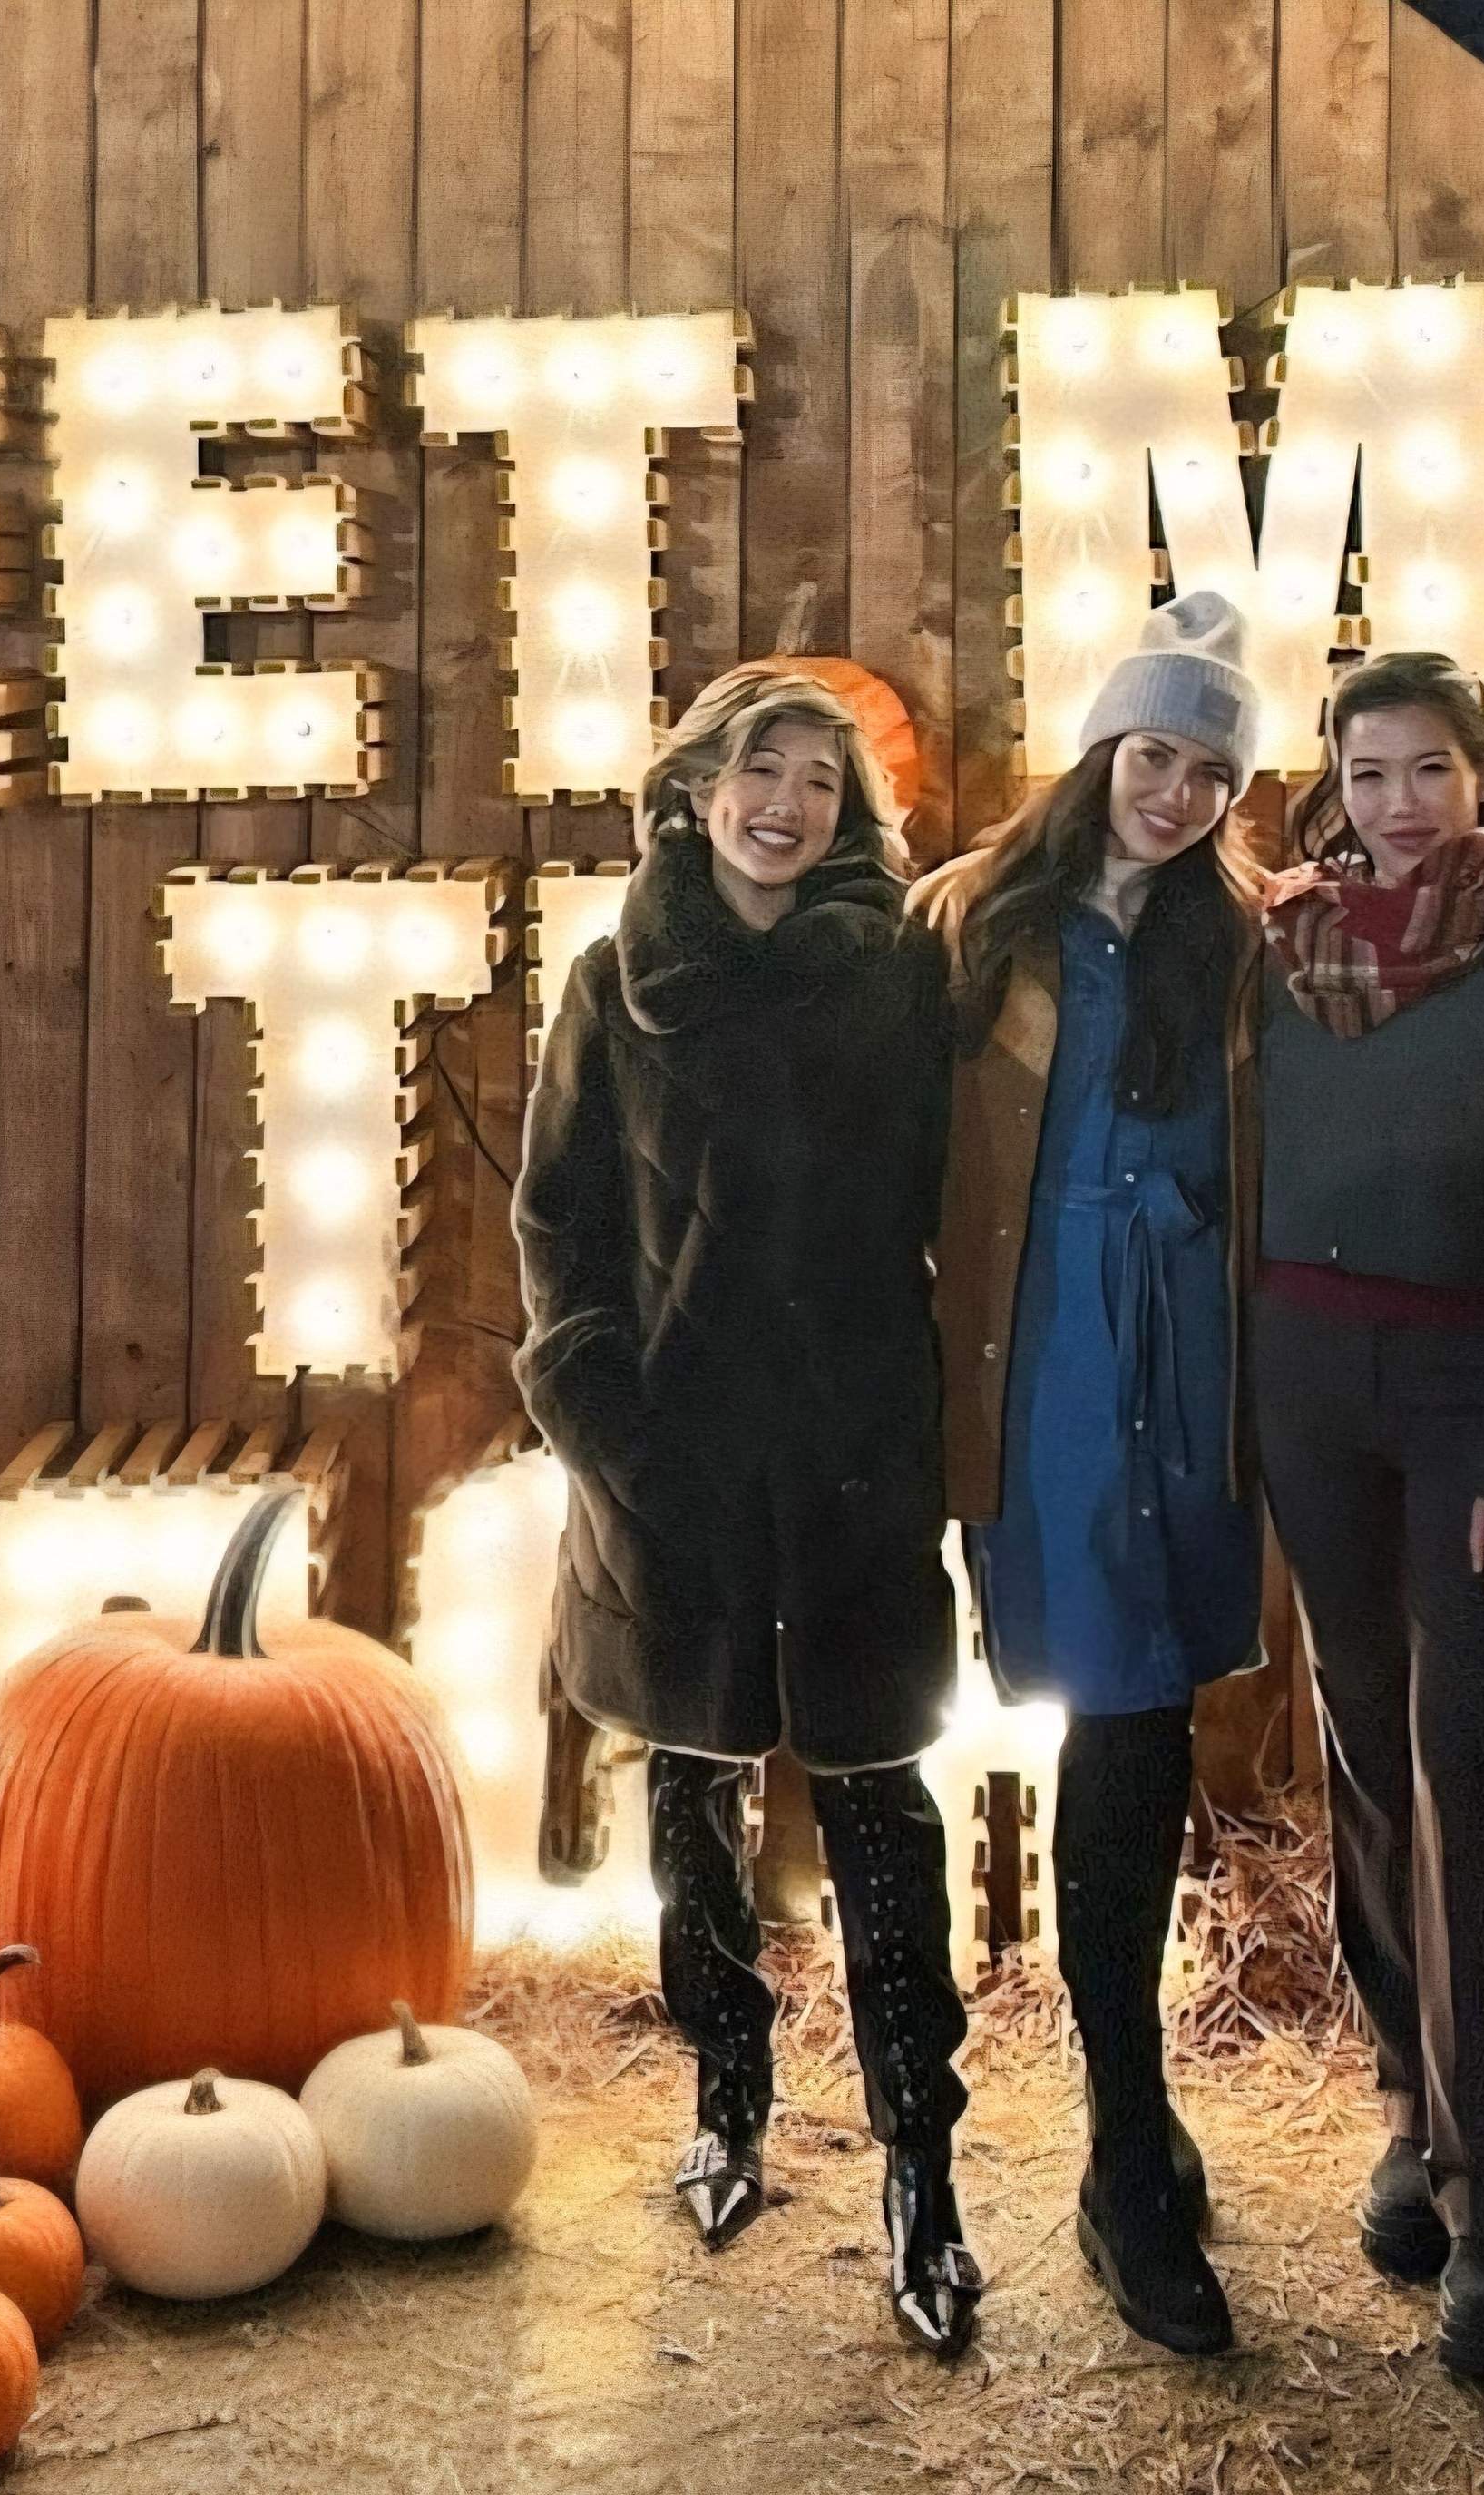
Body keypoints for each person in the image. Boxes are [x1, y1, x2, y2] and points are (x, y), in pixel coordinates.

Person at [513, 664, 982, 2359]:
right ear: (697, 791)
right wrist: (597, 1409)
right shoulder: (611, 985)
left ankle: (921, 2163)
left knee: (876, 1807)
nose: (785, 804)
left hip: (850, 1457)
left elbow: (961, 1196)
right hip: (671, 1460)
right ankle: (728, 2091)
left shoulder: (897, 983)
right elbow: (557, 1215)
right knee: (692, 1789)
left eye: (819, 783)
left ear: (853, 815)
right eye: (757, 773)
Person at [909, 591, 1267, 2358]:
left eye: (1213, 771)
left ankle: (1137, 2119)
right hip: (1040, 1381)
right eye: (1155, 754)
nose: (1177, 793)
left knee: (1151, 1741)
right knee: (1110, 1737)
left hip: (1189, 1397)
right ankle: (1129, 2153)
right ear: (1103, 750)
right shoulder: (976, 922)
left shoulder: (1247, 949)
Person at [1251, 651, 1484, 2382]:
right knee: (1363, 1758)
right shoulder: (1280, 950)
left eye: (1431, 770)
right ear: (1334, 783)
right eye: (1370, 772)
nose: (1400, 802)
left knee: (1465, 1769)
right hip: (1308, 1401)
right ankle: (1410, 2111)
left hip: (1469, 1409)